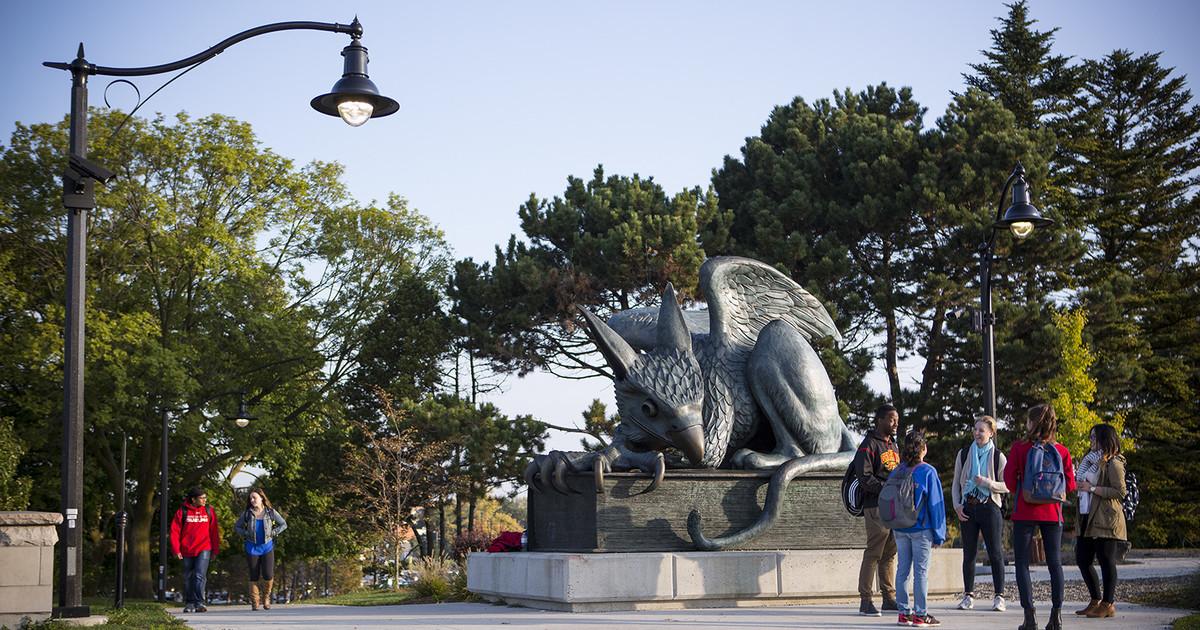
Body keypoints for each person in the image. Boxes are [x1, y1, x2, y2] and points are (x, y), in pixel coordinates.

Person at [1004, 403, 1076, 630]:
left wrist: (1026, 491)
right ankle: (1056, 616)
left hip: (1025, 510)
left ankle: (1030, 617)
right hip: (1053, 512)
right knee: (1055, 564)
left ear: (1033, 423)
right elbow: (1071, 484)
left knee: (1022, 564)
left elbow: (1008, 481)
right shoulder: (1062, 451)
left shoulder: (1019, 448)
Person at [951, 415, 1009, 612]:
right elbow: (956, 482)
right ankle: (968, 596)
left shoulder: (998, 456)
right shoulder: (964, 453)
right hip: (968, 506)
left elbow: (1007, 485)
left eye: (981, 430)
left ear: (991, 433)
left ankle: (999, 596)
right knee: (969, 553)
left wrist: (987, 482)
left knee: (995, 553)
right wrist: (957, 505)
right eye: (975, 429)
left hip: (989, 505)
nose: (977, 433)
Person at [891, 430, 947, 627]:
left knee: (902, 571)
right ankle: (921, 615)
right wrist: (939, 535)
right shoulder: (928, 471)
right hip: (921, 529)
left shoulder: (897, 471)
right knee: (921, 572)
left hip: (899, 529)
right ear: (923, 449)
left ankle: (903, 613)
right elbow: (936, 505)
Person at [853, 403, 901, 616]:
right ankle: (866, 600)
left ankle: (888, 598)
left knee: (890, 553)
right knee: (874, 552)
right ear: (880, 420)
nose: (895, 424)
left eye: (897, 420)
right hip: (876, 507)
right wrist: (887, 488)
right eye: (892, 420)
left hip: (894, 508)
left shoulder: (894, 446)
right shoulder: (868, 445)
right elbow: (864, 478)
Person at [1074, 423, 1127, 618]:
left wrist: (1092, 489)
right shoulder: (1090, 460)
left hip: (1106, 518)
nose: (1091, 442)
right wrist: (1081, 487)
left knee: (1106, 560)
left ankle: (1108, 603)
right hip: (1087, 515)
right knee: (1082, 559)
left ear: (1105, 439)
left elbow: (1120, 492)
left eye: (1094, 438)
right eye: (1090, 438)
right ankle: (1096, 600)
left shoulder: (1114, 462)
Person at [234, 487, 288, 611]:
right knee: (254, 575)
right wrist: (246, 534)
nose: (252, 500)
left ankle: (266, 598)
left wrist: (273, 533)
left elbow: (283, 524)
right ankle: (255, 601)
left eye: (255, 498)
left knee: (268, 574)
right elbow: (237, 527)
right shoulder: (247, 513)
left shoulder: (271, 512)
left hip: (267, 547)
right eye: (251, 498)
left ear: (262, 498)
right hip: (251, 548)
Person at [170, 487, 221, 613]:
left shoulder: (209, 511)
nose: (204, 500)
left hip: (204, 548)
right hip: (186, 549)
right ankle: (189, 603)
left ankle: (199, 603)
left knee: (199, 575)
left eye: (205, 498)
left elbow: (214, 531)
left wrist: (215, 550)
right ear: (193, 499)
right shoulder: (182, 511)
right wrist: (176, 550)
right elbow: (174, 532)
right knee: (188, 576)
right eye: (201, 498)